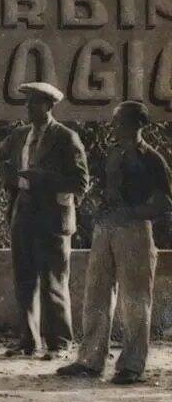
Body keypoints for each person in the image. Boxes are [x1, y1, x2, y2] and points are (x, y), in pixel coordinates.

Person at [57, 101, 172, 384]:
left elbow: (163, 202)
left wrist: (131, 213)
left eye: (121, 121)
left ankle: (132, 365)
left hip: (134, 230)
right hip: (105, 229)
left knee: (135, 300)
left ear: (138, 124)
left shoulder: (152, 159)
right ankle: (90, 360)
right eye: (115, 121)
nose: (115, 126)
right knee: (96, 294)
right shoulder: (113, 153)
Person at [0, 82, 89, 359]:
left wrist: (44, 179)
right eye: (27, 102)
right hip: (23, 213)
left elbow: (81, 182)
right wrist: (11, 179)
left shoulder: (66, 137)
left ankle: (60, 343)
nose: (28, 107)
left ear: (49, 106)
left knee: (53, 281)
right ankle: (28, 341)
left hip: (53, 217)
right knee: (24, 279)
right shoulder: (19, 136)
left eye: (34, 102)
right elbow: (0, 162)